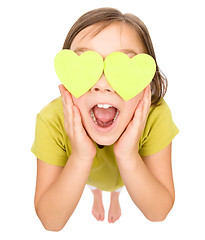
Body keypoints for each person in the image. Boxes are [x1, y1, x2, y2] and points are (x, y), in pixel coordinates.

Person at [31, 7, 179, 231]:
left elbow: (159, 212)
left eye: (122, 67)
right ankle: (98, 196)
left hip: (125, 178)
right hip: (88, 177)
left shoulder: (155, 115)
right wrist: (81, 157)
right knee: (95, 185)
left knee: (116, 186)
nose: (102, 84)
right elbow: (51, 222)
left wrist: (127, 155)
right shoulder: (51, 121)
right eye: (86, 66)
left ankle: (115, 197)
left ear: (146, 83)